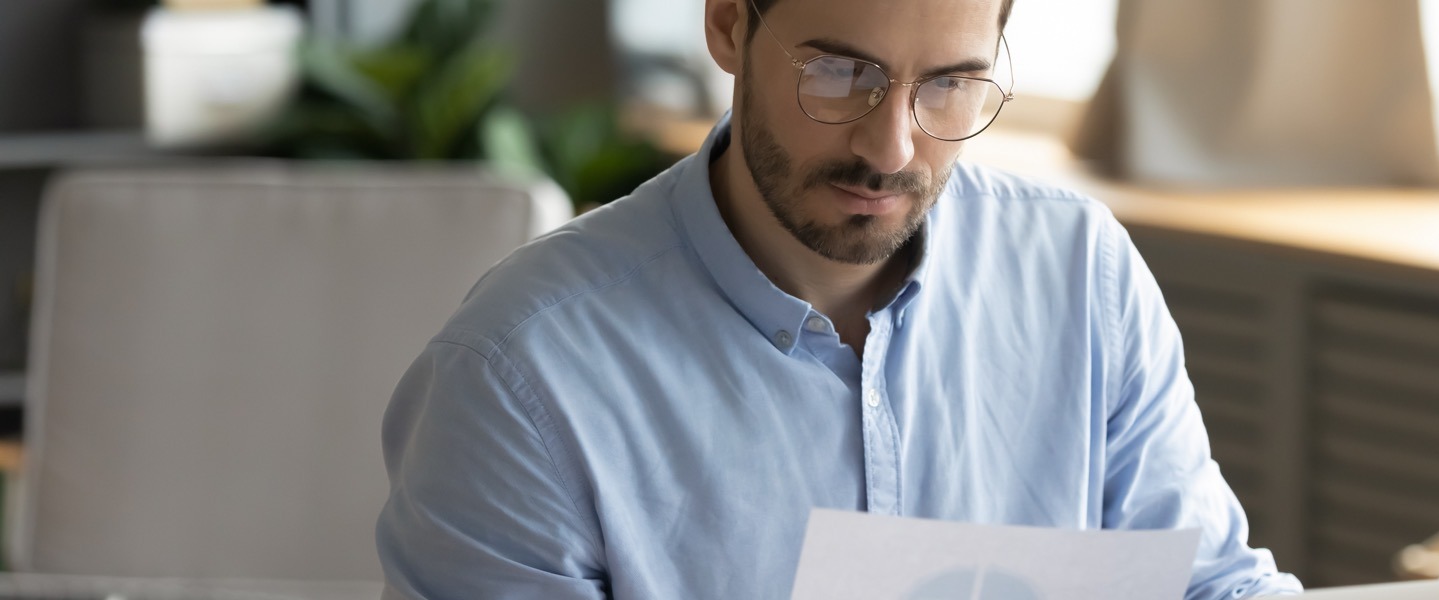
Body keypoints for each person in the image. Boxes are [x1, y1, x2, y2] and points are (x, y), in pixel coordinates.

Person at [374, 0, 1303, 597]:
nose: (891, 148)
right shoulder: (517, 375)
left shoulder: (1079, 272)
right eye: (839, 74)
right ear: (730, 24)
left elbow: (1209, 584)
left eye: (949, 85)